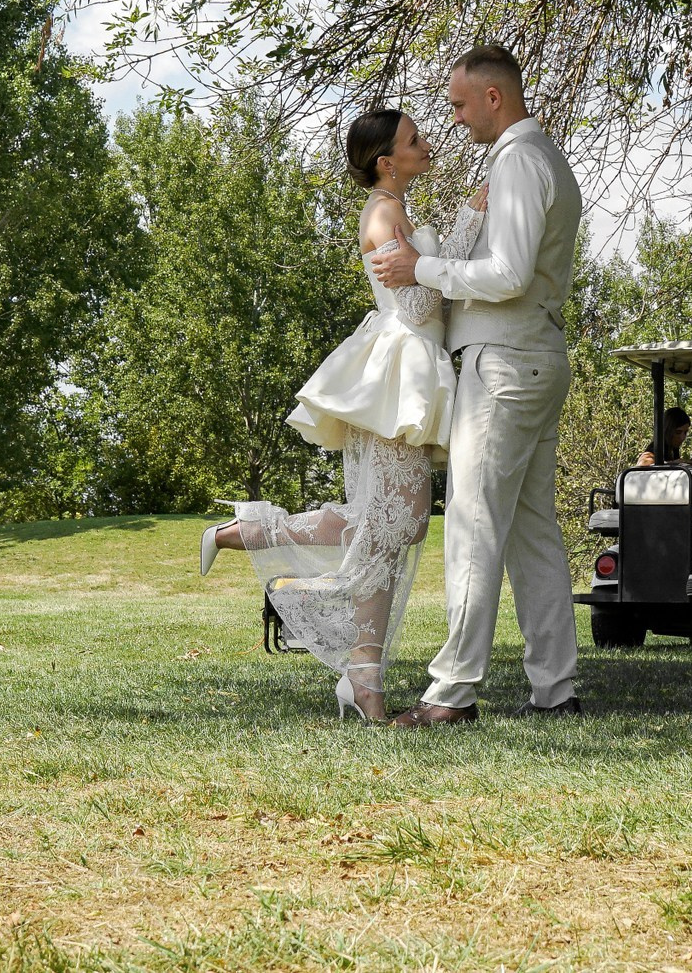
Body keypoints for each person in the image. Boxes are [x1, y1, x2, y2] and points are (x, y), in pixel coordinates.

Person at [199, 107, 473, 724]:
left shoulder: (397, 211)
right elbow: (423, 298)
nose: (425, 145)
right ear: (386, 161)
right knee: (389, 528)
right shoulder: (381, 213)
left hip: (416, 369)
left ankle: (359, 672)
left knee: (388, 527)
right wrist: (468, 228)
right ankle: (360, 673)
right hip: (396, 376)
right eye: (414, 140)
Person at [369, 44, 586, 727]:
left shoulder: (520, 160)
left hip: (506, 361)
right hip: (534, 355)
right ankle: (555, 687)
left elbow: (508, 273)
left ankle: (451, 691)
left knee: (471, 522)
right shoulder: (546, 159)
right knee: (531, 530)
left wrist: (423, 268)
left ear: (494, 97)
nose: (455, 118)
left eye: (461, 104)